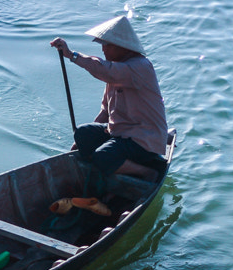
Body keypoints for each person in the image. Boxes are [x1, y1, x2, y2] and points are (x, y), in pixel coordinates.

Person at [50, 15, 169, 190]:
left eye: (107, 45)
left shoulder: (139, 67)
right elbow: (106, 112)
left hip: (144, 140)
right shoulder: (116, 72)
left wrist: (71, 55)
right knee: (83, 132)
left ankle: (146, 172)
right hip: (121, 134)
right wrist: (78, 145)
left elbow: (103, 69)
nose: (104, 50)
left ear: (123, 47)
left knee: (104, 156)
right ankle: (107, 170)